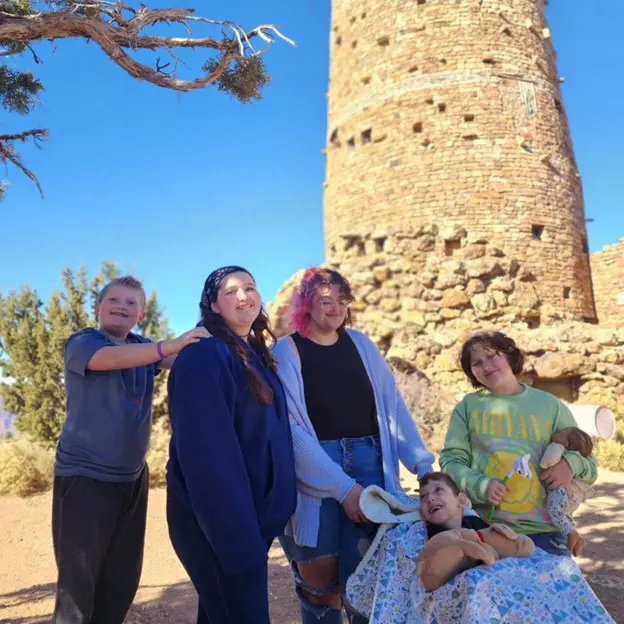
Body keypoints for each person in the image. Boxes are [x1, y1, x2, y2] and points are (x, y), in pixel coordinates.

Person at [274, 267, 434, 624]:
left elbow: (392, 407)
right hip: (315, 467)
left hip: (370, 461)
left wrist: (421, 464)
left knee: (370, 573)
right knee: (319, 577)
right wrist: (343, 489)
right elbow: (293, 430)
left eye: (341, 301)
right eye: (324, 301)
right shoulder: (286, 352)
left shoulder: (361, 344)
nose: (334, 309)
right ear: (306, 305)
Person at [53, 275, 208, 624]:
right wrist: (168, 346)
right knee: (77, 589)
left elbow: (186, 360)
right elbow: (110, 358)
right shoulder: (83, 343)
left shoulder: (143, 347)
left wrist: (211, 337)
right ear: (97, 309)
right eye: (113, 301)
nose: (122, 306)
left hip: (132, 480)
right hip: (85, 478)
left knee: (121, 582)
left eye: (131, 302)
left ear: (140, 314)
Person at [166, 266, 297, 624]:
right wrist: (237, 539)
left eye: (250, 288)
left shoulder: (255, 356)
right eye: (231, 291)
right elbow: (207, 456)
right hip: (220, 525)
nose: (244, 296)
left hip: (248, 520)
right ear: (212, 305)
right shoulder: (204, 356)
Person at [440, 331, 598, 556]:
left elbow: (588, 462)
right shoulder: (467, 408)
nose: (486, 366)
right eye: (476, 363)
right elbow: (451, 461)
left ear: (510, 356)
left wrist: (571, 465)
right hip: (487, 530)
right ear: (472, 373)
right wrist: (480, 485)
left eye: (492, 355)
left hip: (546, 531)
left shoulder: (550, 406)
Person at [419, 472, 489, 539]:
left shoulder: (475, 522)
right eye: (423, 496)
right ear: (423, 514)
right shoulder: (423, 538)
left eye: (438, 490)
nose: (430, 498)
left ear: (461, 500)